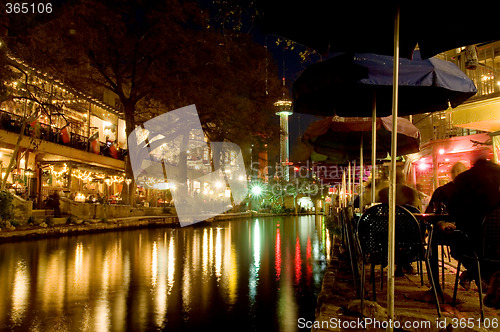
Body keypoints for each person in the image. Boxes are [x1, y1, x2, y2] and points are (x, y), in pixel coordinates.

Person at [448, 157, 500, 289]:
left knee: (459, 246)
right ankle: (476, 274)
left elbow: (454, 211)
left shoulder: (462, 181)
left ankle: (474, 274)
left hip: (474, 243)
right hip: (495, 243)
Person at [425, 162, 467, 294]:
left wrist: (440, 223)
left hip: (452, 234)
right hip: (471, 235)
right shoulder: (473, 193)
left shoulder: (443, 191)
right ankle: (472, 273)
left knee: (432, 241)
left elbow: (430, 214)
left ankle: (435, 287)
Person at [378, 170, 423, 276]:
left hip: (387, 233)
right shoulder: (411, 192)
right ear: (403, 179)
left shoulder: (384, 192)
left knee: (395, 238)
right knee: (415, 235)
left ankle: (400, 263)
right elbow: (418, 210)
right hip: (410, 234)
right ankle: (405, 262)